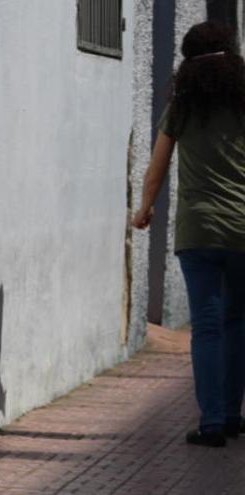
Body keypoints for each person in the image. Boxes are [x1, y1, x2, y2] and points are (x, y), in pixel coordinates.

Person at [134, 21, 245, 448]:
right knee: (237, 321)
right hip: (242, 231)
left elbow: (157, 167)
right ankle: (234, 414)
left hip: (198, 229)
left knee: (208, 326)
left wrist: (145, 209)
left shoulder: (181, 105)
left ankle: (213, 421)